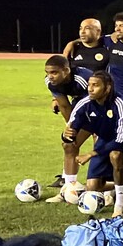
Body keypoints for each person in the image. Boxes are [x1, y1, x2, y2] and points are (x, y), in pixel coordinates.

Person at [65, 70, 123, 216]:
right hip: (104, 141)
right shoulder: (85, 103)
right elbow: (71, 128)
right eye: (89, 85)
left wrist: (92, 153)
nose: (90, 89)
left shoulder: (121, 103)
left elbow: (120, 139)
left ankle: (119, 205)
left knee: (115, 156)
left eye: (95, 85)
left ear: (107, 88)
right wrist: (66, 135)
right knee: (93, 186)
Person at [43, 54, 90, 196]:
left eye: (54, 72)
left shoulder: (83, 80)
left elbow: (96, 103)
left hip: (102, 108)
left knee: (102, 146)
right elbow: (64, 106)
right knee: (69, 144)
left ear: (66, 71)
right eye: (47, 72)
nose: (50, 76)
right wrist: (71, 127)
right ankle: (69, 189)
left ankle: (107, 188)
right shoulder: (50, 82)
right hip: (81, 105)